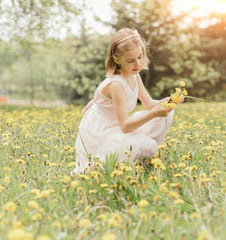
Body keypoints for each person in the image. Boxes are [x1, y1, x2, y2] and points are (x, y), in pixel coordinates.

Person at [72, 28, 175, 175]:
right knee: (150, 146)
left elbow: (150, 104)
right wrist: (154, 113)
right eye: (131, 60)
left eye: (140, 57)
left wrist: (168, 101)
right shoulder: (116, 85)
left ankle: (138, 155)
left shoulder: (134, 75)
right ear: (116, 59)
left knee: (167, 115)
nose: (137, 64)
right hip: (104, 133)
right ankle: (136, 152)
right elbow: (125, 126)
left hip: (119, 126)